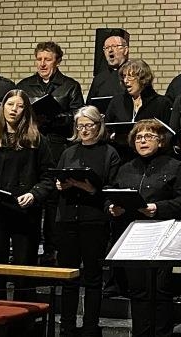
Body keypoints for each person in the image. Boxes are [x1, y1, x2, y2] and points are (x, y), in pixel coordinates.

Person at [0, 88, 55, 301]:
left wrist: (34, 194)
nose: (14, 110)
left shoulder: (38, 140)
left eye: (20, 106)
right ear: (2, 108)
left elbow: (48, 178)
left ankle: (23, 323)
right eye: (10, 104)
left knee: (24, 270)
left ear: (26, 111)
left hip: (25, 213)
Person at [109, 119, 181, 337]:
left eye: (148, 136)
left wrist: (158, 208)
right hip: (133, 236)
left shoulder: (175, 166)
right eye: (138, 137)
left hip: (163, 234)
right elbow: (111, 195)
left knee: (161, 291)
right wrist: (111, 207)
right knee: (138, 292)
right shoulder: (126, 168)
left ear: (161, 141)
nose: (142, 140)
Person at [55, 106, 121, 337]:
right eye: (80, 126)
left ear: (98, 125)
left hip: (94, 220)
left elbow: (112, 189)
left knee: (92, 277)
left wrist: (91, 188)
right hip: (67, 220)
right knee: (68, 276)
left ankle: (91, 326)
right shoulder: (68, 151)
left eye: (88, 125)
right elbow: (60, 178)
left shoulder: (109, 153)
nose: (84, 130)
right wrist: (60, 185)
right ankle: (67, 326)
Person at [16, 41, 84, 265]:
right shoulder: (25, 85)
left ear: (57, 61)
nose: (42, 63)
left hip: (57, 145)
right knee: (31, 195)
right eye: (39, 59)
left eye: (48, 59)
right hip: (30, 146)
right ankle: (28, 249)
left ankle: (53, 250)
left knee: (54, 200)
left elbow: (78, 117)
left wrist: (56, 118)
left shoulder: (69, 86)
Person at [105, 59, 172, 126]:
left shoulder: (161, 103)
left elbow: (167, 132)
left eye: (130, 76)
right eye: (124, 76)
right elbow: (107, 128)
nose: (125, 80)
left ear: (142, 78)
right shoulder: (117, 101)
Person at [87, 30, 130, 102]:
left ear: (125, 50)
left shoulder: (134, 74)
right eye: (106, 47)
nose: (110, 50)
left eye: (114, 46)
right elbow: (89, 104)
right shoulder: (99, 79)